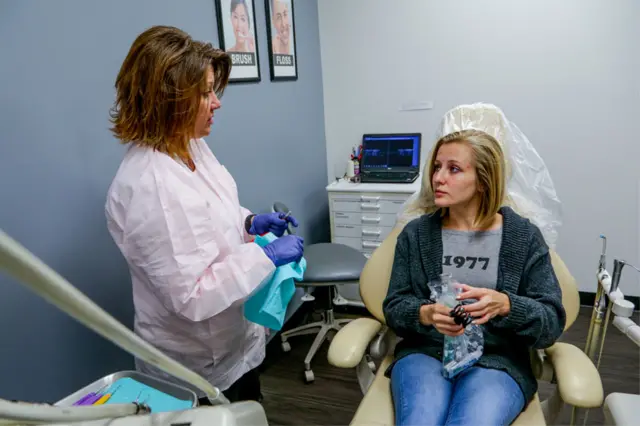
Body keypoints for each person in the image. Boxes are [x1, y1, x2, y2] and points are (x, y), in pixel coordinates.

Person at [104, 25, 304, 404]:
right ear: (170, 100)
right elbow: (193, 296)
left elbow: (208, 212)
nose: (217, 102)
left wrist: (248, 223)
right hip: (196, 366)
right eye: (205, 92)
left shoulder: (189, 146)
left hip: (231, 346)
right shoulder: (151, 186)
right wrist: (266, 255)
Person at [382, 129, 566, 425]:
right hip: (426, 353)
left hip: (497, 360)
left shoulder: (523, 238)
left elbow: (551, 322)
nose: (438, 178)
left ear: (483, 180)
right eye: (437, 167)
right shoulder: (416, 236)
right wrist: (426, 314)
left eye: (453, 169)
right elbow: (394, 307)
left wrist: (507, 305)